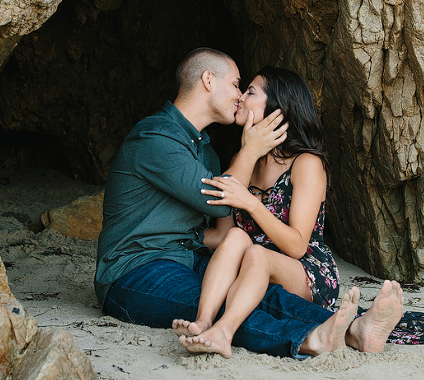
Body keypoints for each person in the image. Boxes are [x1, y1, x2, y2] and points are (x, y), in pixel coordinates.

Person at [96, 47, 405, 358]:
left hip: (183, 260)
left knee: (250, 290)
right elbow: (220, 205)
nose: (239, 96)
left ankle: (352, 330)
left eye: (246, 89)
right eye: (235, 85)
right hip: (134, 269)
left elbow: (223, 226)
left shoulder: (206, 152)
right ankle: (311, 338)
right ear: (208, 80)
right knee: (227, 301)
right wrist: (250, 151)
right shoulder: (157, 137)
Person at [173, 67, 403, 358]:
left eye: (250, 92)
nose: (240, 98)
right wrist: (170, 236)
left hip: (304, 268)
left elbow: (296, 245)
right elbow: (221, 236)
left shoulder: (306, 163)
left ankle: (224, 332)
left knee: (255, 252)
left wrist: (251, 203)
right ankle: (203, 322)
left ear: (278, 110)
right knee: (235, 238)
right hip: (253, 263)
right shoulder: (242, 161)